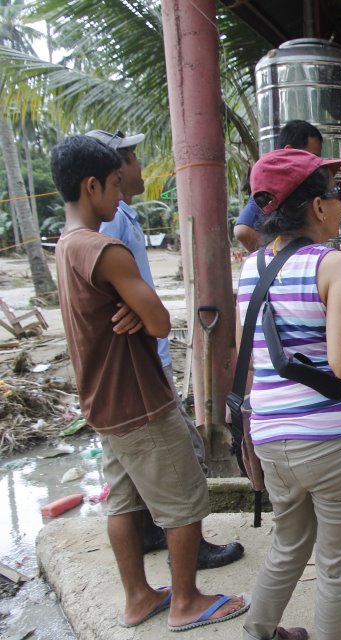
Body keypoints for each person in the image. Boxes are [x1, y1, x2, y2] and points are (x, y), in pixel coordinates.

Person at [50, 135, 248, 631]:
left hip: (103, 401)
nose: (121, 195)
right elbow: (160, 322)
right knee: (182, 501)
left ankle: (138, 596)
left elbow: (135, 315)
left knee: (123, 500)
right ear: (92, 184)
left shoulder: (66, 244)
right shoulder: (106, 249)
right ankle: (186, 602)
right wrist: (143, 314)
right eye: (116, 184)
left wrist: (136, 313)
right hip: (139, 399)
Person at [238, 148, 341, 640]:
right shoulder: (333, 264)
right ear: (318, 207)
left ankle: (257, 632)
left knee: (288, 545)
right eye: (335, 193)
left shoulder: (250, 267)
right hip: (335, 443)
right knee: (338, 566)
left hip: (270, 439)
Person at [86, 128, 245, 569]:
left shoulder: (121, 217)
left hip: (133, 368)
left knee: (125, 479)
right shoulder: (111, 219)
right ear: (114, 169)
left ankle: (149, 540)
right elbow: (124, 298)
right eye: (133, 158)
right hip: (140, 369)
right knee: (181, 466)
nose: (139, 166)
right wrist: (138, 311)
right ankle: (187, 559)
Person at [233, 120, 325, 252]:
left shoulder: (305, 185)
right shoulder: (272, 186)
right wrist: (277, 256)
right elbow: (242, 231)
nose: (316, 163)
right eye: (312, 156)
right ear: (289, 151)